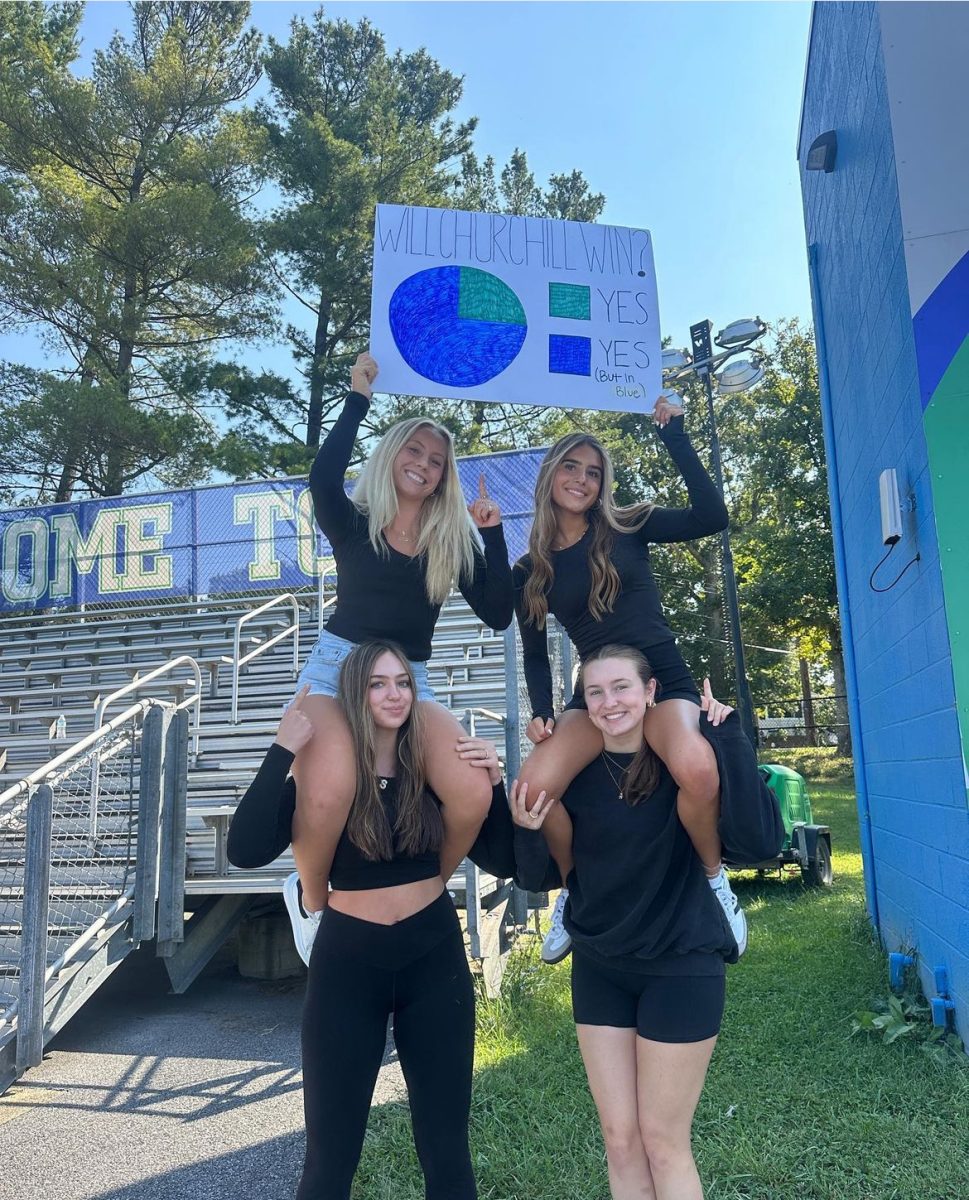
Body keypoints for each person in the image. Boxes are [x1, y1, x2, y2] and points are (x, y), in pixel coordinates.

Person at [227, 640, 507, 1200]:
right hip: (349, 962)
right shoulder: (328, 778)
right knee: (330, 1159)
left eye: (403, 682)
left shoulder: (429, 768)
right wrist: (282, 750)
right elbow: (245, 847)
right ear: (356, 692)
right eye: (378, 683)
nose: (395, 694)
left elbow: (503, 858)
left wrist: (494, 782)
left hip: (433, 956)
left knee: (447, 1150)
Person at [285, 351, 514, 962]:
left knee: (471, 791)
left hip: (407, 677)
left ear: (445, 476)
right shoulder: (355, 522)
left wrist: (491, 532)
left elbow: (498, 611)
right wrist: (358, 396)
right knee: (330, 791)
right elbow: (322, 479)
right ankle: (310, 902)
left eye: (437, 461)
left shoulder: (450, 541)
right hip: (339, 668)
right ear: (392, 457)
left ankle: (423, 889)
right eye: (414, 452)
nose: (424, 466)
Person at [512, 395, 746, 964]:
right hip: (595, 692)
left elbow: (713, 516)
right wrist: (542, 711)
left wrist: (675, 436)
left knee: (696, 768)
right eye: (571, 466)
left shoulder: (629, 524)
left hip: (660, 677)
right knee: (533, 791)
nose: (582, 479)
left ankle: (716, 883)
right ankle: (573, 892)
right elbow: (536, 650)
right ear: (550, 475)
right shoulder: (531, 569)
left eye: (594, 472)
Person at [509, 645, 746, 1200]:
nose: (609, 702)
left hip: (679, 963)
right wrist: (526, 821)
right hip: (600, 965)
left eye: (621, 688)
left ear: (649, 692)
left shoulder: (685, 760)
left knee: (663, 1139)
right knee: (619, 1138)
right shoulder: (573, 772)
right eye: (595, 692)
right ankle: (570, 907)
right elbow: (533, 853)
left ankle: (720, 891)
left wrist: (727, 730)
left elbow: (752, 823)